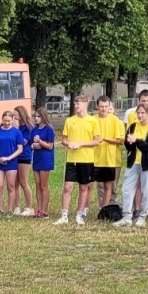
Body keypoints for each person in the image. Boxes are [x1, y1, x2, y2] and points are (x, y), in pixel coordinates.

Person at [55, 95, 99, 224]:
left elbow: (96, 141)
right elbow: (64, 139)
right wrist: (69, 143)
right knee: (68, 187)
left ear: (85, 104)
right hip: (72, 159)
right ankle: (64, 216)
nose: (76, 106)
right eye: (75, 103)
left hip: (86, 159)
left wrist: (81, 144)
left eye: (78, 103)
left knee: (83, 187)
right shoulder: (70, 120)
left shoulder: (93, 121)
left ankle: (79, 215)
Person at [117, 102, 148, 228]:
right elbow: (128, 144)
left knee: (146, 191)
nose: (140, 115)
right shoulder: (133, 126)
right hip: (134, 162)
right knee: (126, 189)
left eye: (143, 113)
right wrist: (129, 141)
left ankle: (142, 217)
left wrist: (136, 141)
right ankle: (126, 216)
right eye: (138, 113)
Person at [0, 112, 24, 215]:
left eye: (9, 121)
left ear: (12, 120)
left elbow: (20, 149)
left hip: (11, 163)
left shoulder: (17, 132)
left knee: (11, 186)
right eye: (5, 121)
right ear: (2, 120)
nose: (7, 123)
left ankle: (10, 210)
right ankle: (0, 210)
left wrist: (9, 158)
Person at [92, 98, 124, 213]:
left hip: (112, 159)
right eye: (101, 106)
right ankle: (103, 209)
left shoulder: (115, 120)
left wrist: (105, 139)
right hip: (96, 158)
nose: (104, 109)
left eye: (106, 106)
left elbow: (120, 140)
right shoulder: (92, 120)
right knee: (100, 186)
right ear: (97, 106)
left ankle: (112, 209)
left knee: (111, 186)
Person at [29, 109, 55, 217]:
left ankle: (44, 210)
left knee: (43, 185)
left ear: (44, 117)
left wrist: (40, 141)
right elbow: (30, 144)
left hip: (45, 159)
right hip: (37, 158)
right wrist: (33, 145)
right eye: (35, 116)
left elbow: (50, 146)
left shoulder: (49, 129)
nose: (36, 118)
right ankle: (39, 209)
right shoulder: (34, 130)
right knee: (38, 185)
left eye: (39, 116)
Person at [13, 104, 35, 216]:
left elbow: (22, 142)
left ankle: (30, 208)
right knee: (15, 183)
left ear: (21, 115)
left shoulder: (28, 127)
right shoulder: (13, 126)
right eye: (13, 115)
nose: (14, 117)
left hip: (24, 157)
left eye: (16, 115)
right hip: (14, 156)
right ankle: (17, 207)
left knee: (23, 182)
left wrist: (17, 130)